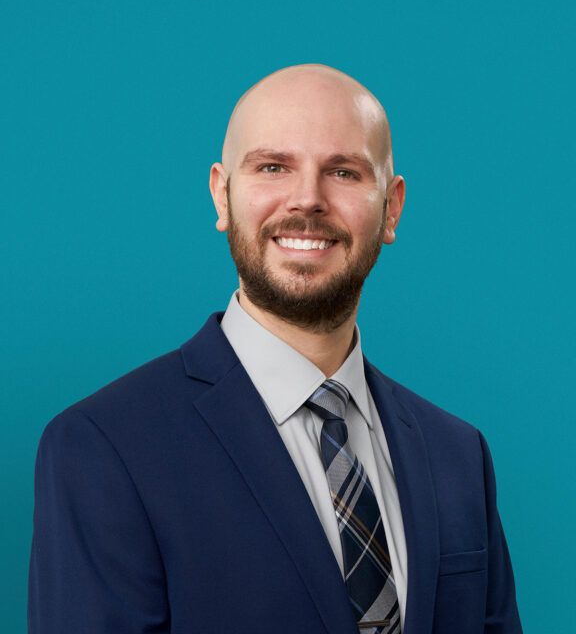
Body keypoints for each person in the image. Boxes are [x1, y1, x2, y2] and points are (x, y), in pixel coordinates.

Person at [28, 64, 523, 634]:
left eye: (343, 171)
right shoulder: (103, 447)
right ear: (222, 195)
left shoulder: (458, 455)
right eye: (272, 167)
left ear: (391, 208)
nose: (307, 200)